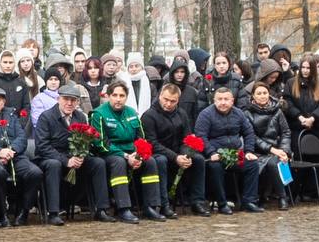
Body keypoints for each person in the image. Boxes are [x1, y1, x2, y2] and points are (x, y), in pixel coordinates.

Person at [33, 83, 108, 224]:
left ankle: (101, 209)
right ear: (58, 99)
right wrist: (65, 160)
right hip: (50, 157)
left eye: (73, 100)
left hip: (74, 156)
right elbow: (42, 146)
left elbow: (86, 141)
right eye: (66, 99)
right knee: (54, 165)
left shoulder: (80, 117)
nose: (69, 103)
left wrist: (81, 155)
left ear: (78, 102)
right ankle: (53, 212)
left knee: (98, 163)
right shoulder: (46, 117)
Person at [91, 81, 163, 223]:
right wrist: (125, 156)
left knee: (150, 161)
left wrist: (138, 156)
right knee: (118, 163)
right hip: (110, 154)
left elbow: (141, 138)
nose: (118, 99)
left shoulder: (131, 112)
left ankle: (150, 206)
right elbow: (101, 144)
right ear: (108, 96)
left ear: (126, 97)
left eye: (122, 96)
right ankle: (123, 208)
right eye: (115, 95)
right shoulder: (98, 114)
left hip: (132, 152)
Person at [0, 86, 43, 226]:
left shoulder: (11, 115)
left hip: (15, 155)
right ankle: (1, 213)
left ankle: (23, 212)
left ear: (4, 102)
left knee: (35, 173)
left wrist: (11, 150)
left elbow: (22, 137)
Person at [194, 85, 265, 214]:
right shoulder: (205, 115)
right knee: (215, 167)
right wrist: (211, 152)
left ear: (232, 101)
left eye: (226, 99)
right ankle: (222, 203)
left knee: (253, 164)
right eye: (219, 99)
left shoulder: (239, 113)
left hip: (235, 154)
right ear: (214, 101)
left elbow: (249, 133)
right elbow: (200, 136)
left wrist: (249, 151)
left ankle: (249, 201)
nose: (223, 102)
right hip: (214, 155)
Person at [142, 84, 210, 218]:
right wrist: (175, 157)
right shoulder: (149, 115)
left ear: (178, 100)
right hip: (158, 153)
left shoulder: (181, 113)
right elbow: (152, 143)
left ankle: (197, 201)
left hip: (178, 152)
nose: (168, 104)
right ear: (160, 96)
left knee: (198, 159)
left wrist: (186, 154)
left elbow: (187, 138)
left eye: (172, 101)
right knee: (161, 161)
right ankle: (163, 204)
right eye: (165, 99)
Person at [243, 84, 292, 209]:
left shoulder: (277, 111)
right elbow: (251, 136)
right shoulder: (247, 113)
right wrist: (272, 149)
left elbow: (286, 132)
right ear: (253, 96)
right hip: (257, 150)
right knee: (270, 163)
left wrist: (284, 151)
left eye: (265, 93)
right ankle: (278, 196)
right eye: (258, 93)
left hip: (277, 150)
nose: (262, 96)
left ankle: (282, 198)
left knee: (275, 162)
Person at [284, 55, 319, 139]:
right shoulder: (291, 83)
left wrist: (312, 118)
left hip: (316, 127)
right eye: (303, 67)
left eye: (308, 68)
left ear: (313, 69)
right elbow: (288, 103)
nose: (305, 71)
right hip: (296, 127)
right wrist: (301, 118)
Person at [0, 50, 32, 130]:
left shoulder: (21, 83)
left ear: (15, 63)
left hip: (18, 125)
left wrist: (21, 123)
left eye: (10, 62)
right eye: (5, 62)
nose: (8, 65)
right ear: (0, 63)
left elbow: (26, 106)